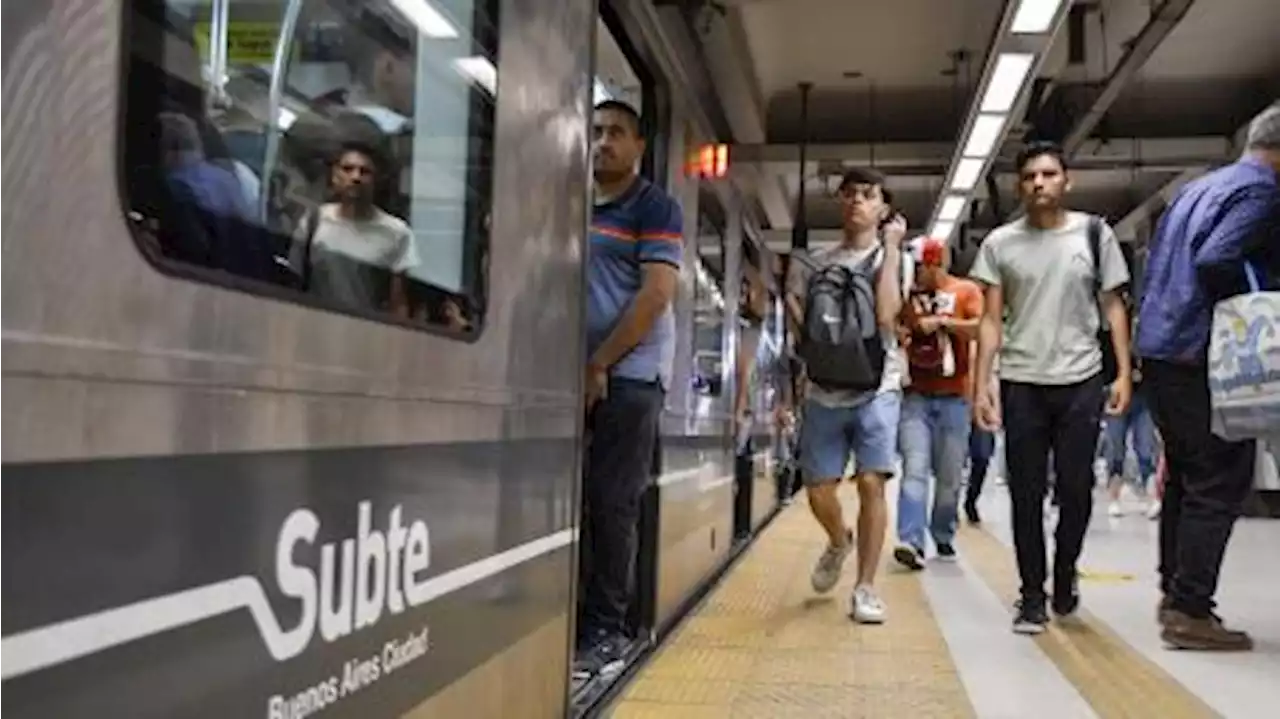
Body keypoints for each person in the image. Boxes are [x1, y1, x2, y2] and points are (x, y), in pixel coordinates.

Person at [1134, 102, 1280, 651]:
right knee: (1221, 476)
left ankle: (1174, 594)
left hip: (1164, 350)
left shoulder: (1200, 187)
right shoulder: (1262, 192)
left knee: (1188, 476)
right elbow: (1219, 259)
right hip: (1199, 352)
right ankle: (1191, 609)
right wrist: (1261, 304)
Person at [971, 140, 1132, 635]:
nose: (1038, 183)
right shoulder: (1000, 244)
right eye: (1029, 177)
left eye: (1048, 174)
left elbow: (1112, 307)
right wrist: (982, 385)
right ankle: (1031, 595)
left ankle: (1065, 574)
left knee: (1077, 489)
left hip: (1081, 380)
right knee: (1025, 492)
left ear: (1066, 180)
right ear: (1020, 186)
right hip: (1022, 381)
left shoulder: (1092, 234)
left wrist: (1123, 371)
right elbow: (991, 321)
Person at [575, 100, 683, 677]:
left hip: (632, 377)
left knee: (613, 502)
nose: (603, 142)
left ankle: (606, 629)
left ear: (639, 145)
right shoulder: (571, 199)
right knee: (574, 498)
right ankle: (574, 612)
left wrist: (600, 363)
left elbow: (655, 295)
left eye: (616, 133)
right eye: (595, 132)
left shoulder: (654, 206)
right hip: (575, 373)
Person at [787, 168, 911, 624]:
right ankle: (839, 540)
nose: (857, 201)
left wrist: (893, 249)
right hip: (823, 389)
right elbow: (798, 328)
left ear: (883, 208)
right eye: (849, 194)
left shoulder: (896, 257)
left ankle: (865, 587)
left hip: (878, 385)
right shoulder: (813, 262)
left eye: (868, 195)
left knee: (871, 481)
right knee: (819, 488)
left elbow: (886, 316)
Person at [893, 237, 983, 569]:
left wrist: (944, 323)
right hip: (915, 396)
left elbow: (980, 329)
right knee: (914, 469)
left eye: (919, 268)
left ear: (935, 264)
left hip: (954, 399)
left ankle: (943, 532)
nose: (915, 274)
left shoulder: (966, 291)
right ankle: (911, 541)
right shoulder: (908, 297)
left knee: (949, 478)